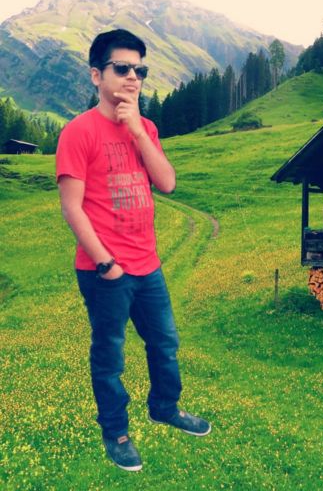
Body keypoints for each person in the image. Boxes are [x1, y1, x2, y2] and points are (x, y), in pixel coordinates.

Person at [56, 29, 210, 472]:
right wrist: (105, 263)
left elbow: (167, 183)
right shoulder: (78, 132)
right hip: (106, 270)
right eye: (122, 68)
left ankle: (165, 407)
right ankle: (116, 433)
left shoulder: (147, 129)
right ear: (96, 75)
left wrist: (139, 131)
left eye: (139, 70)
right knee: (110, 355)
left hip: (148, 265)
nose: (132, 78)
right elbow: (72, 208)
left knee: (164, 343)